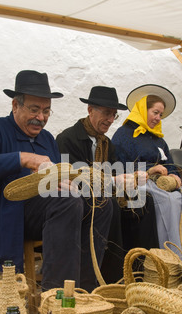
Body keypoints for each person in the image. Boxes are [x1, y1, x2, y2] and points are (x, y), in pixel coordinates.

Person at [0, 70, 113, 292]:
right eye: (34, 109)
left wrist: (69, 183)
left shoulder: (47, 139)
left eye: (46, 110)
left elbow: (57, 182)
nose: (41, 117)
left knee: (101, 202)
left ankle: (84, 291)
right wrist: (22, 158)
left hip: (47, 216)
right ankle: (57, 298)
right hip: (5, 216)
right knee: (66, 202)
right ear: (15, 106)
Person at [57, 86, 159, 282]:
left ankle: (143, 271)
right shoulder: (68, 139)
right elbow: (75, 178)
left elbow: (115, 172)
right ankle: (112, 277)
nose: (111, 120)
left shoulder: (106, 143)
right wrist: (113, 181)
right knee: (108, 203)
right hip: (80, 200)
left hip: (104, 193)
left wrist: (132, 177)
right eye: (106, 113)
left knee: (144, 201)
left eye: (114, 115)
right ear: (90, 110)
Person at [111, 84, 182, 255]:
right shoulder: (124, 134)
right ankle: (169, 253)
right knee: (167, 201)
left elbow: (170, 164)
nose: (158, 118)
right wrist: (150, 171)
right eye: (155, 113)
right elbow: (120, 167)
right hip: (139, 183)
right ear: (142, 110)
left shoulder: (159, 140)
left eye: (161, 115)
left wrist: (176, 177)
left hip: (162, 184)